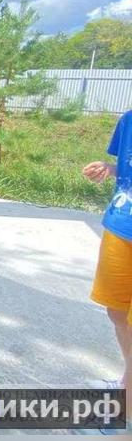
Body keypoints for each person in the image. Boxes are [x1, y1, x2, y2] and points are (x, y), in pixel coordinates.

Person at [83, 110, 132, 417]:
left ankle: (125, 409)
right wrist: (110, 169)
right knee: (117, 312)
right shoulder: (128, 120)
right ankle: (127, 381)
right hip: (120, 224)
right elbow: (126, 167)